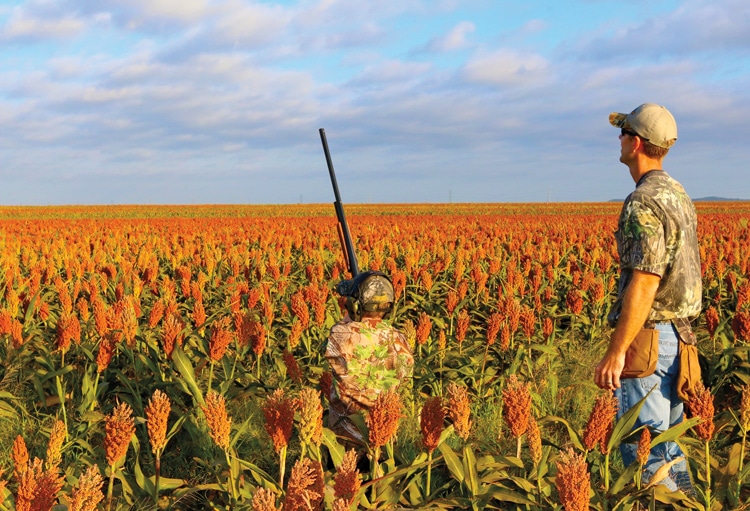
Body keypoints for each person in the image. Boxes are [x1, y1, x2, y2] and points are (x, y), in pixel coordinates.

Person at [594, 103, 702, 493]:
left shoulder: (642, 201)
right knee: (669, 447)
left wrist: (617, 350)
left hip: (650, 341)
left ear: (636, 143)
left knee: (647, 453)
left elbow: (645, 280)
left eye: (622, 134)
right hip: (680, 339)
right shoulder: (677, 193)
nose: (619, 140)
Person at [325, 270, 414, 447]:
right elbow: (405, 378)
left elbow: (335, 348)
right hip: (385, 436)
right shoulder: (399, 339)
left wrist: (350, 312)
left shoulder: (341, 334)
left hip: (345, 439)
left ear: (354, 306)